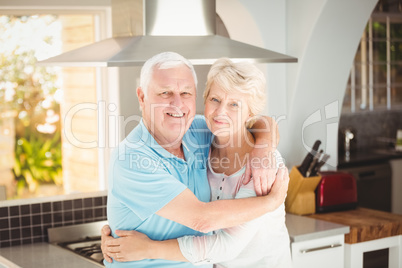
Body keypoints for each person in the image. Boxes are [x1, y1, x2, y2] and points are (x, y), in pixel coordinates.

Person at [103, 52, 289, 267]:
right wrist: (271, 201)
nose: (177, 104)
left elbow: (259, 122)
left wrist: (264, 145)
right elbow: (202, 219)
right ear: (142, 97)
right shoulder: (132, 157)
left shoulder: (200, 134)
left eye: (185, 92)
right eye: (165, 93)